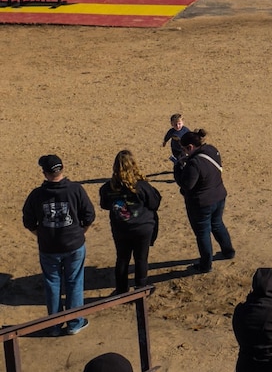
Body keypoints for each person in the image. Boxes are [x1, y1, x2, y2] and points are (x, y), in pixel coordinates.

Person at [22, 154, 96, 335]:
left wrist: (41, 235)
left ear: (45, 173)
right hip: (73, 244)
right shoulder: (75, 190)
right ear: (62, 169)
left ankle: (54, 324)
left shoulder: (37, 194)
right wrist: (80, 232)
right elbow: (89, 216)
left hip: (50, 247)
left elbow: (29, 221)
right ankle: (74, 322)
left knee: (52, 284)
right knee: (74, 283)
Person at [98, 150, 161, 294]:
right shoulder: (142, 186)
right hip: (142, 227)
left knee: (122, 258)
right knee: (141, 258)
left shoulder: (108, 187)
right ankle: (141, 287)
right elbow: (154, 203)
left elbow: (105, 204)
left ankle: (121, 289)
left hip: (121, 227)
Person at [174, 128, 235, 273]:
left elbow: (187, 184)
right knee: (217, 224)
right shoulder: (212, 150)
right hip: (219, 196)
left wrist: (178, 167)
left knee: (202, 233)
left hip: (201, 203)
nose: (184, 152)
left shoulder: (194, 163)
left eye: (184, 149)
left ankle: (205, 265)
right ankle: (228, 251)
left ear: (190, 147)